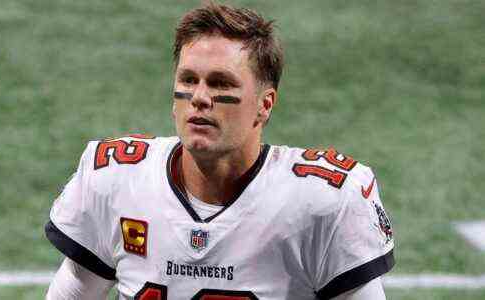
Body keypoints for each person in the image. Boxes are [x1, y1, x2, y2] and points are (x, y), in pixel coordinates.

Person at [44, 2, 394, 299]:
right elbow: (73, 289)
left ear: (264, 105)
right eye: (188, 80)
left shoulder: (324, 201)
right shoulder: (117, 179)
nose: (199, 97)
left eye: (220, 83)